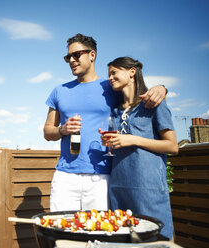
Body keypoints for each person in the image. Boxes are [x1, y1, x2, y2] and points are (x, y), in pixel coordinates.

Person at [43, 33, 167, 212]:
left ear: (92, 55)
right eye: (68, 57)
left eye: (76, 55)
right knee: (61, 231)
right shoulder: (59, 91)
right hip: (65, 176)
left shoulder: (111, 86)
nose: (71, 60)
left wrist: (161, 88)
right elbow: (47, 132)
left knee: (98, 234)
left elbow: (137, 92)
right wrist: (62, 129)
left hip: (101, 176)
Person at [102, 57, 178, 240]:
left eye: (114, 72)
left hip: (147, 189)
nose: (110, 78)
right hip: (118, 188)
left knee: (158, 239)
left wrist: (133, 139)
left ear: (132, 72)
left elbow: (172, 146)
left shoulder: (152, 103)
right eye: (109, 74)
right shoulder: (115, 111)